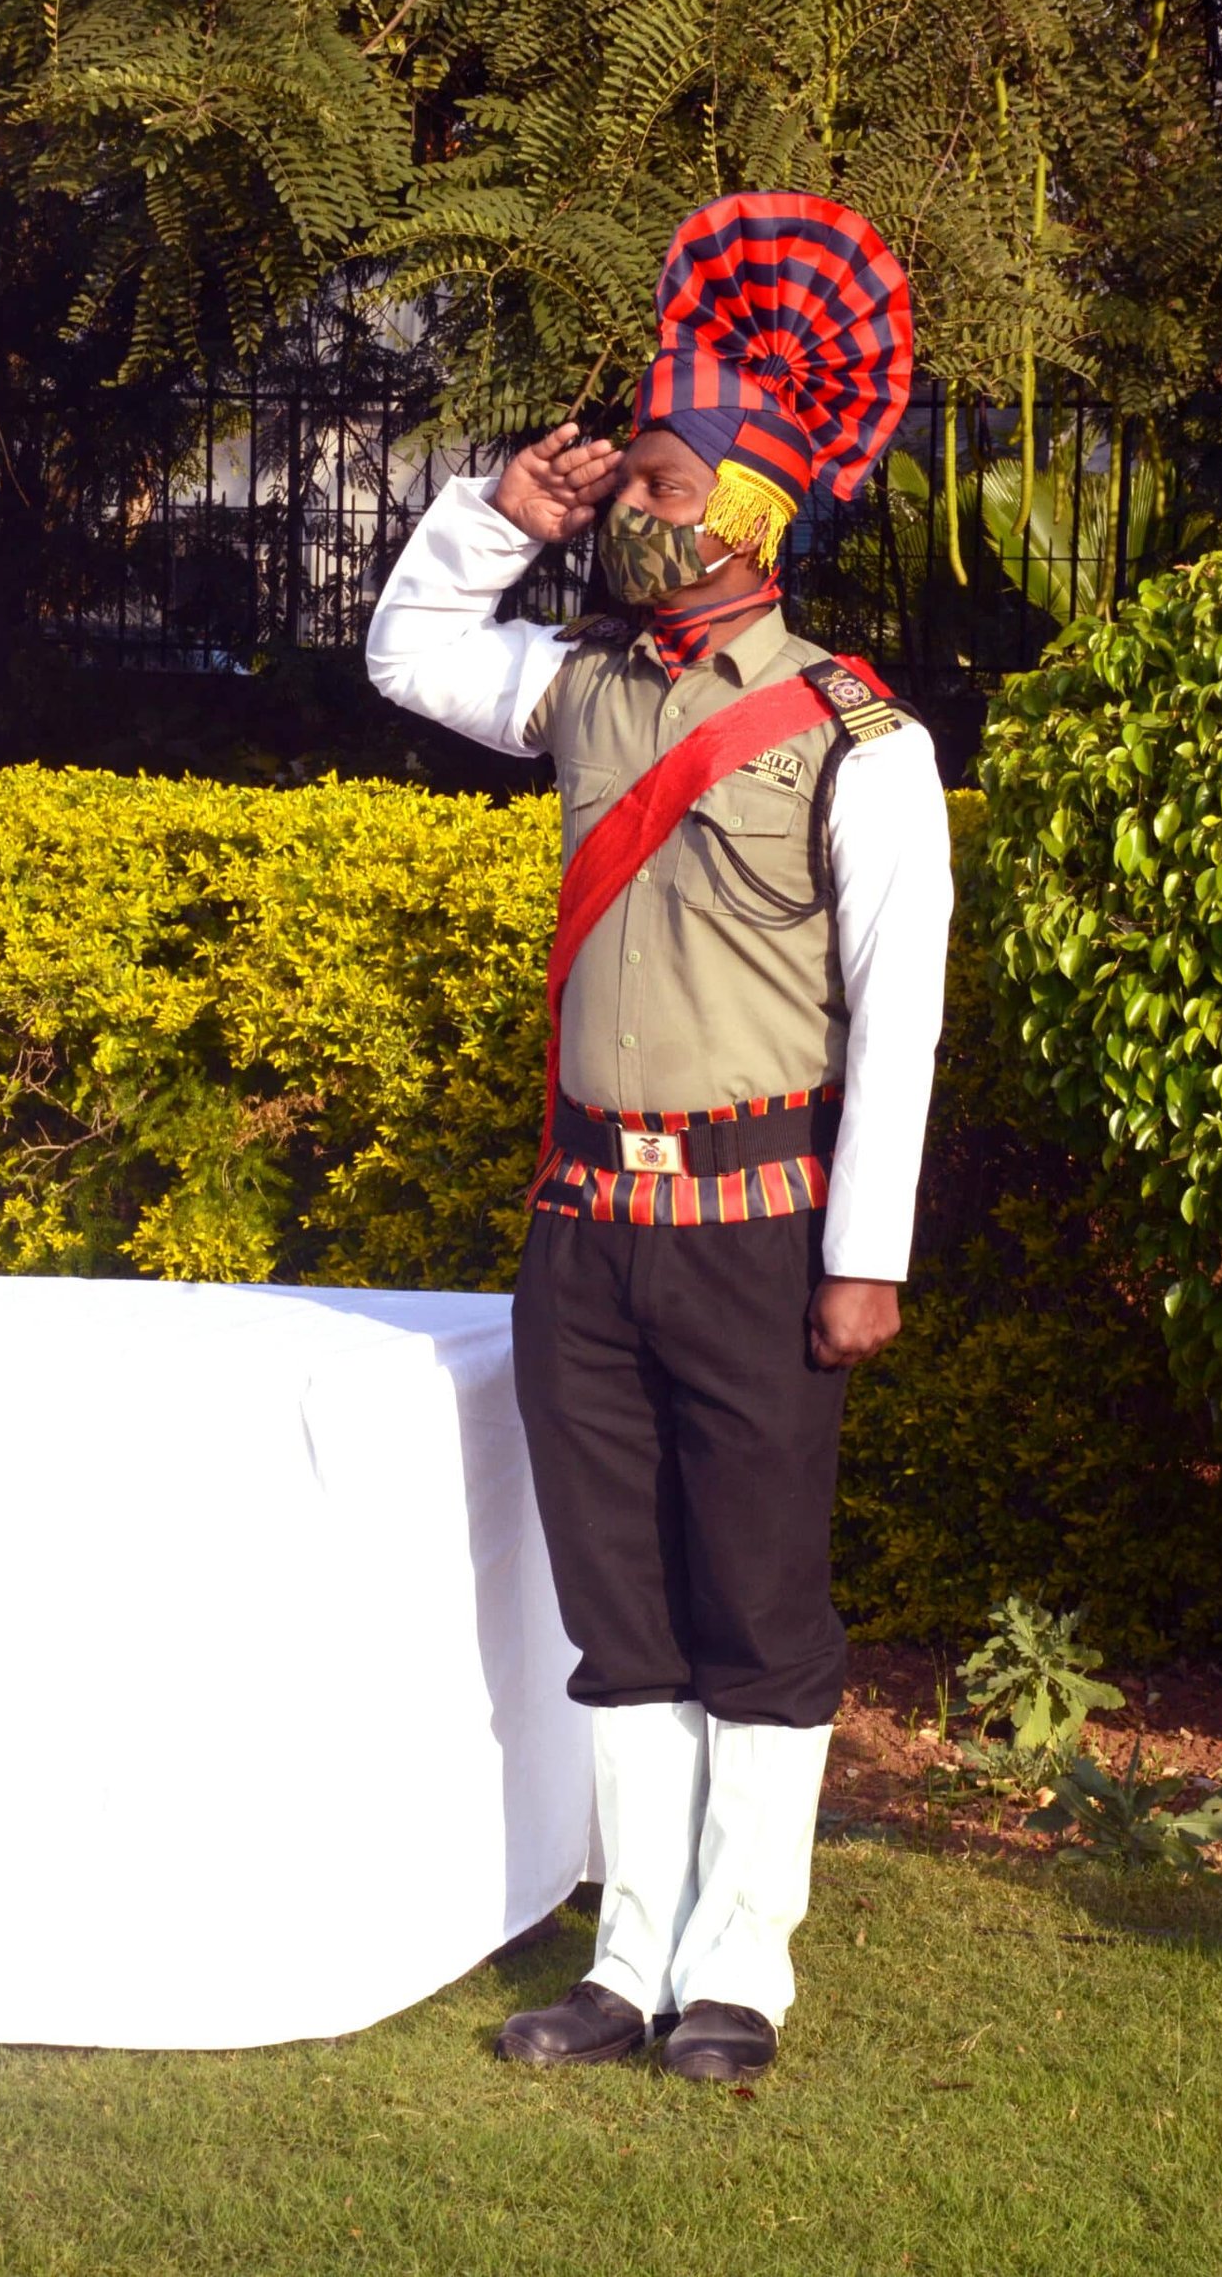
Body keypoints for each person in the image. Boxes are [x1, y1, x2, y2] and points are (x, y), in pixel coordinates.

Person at [366, 192, 951, 2083]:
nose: (633, 499)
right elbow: (407, 653)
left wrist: (865, 1261)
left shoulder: (859, 738)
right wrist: (500, 517)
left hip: (763, 1233)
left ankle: (739, 1973)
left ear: (755, 510)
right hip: (584, 1232)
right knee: (616, 1607)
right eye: (626, 476)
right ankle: (627, 1965)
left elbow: (900, 1012)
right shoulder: (586, 688)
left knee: (757, 1605)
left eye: (664, 479)